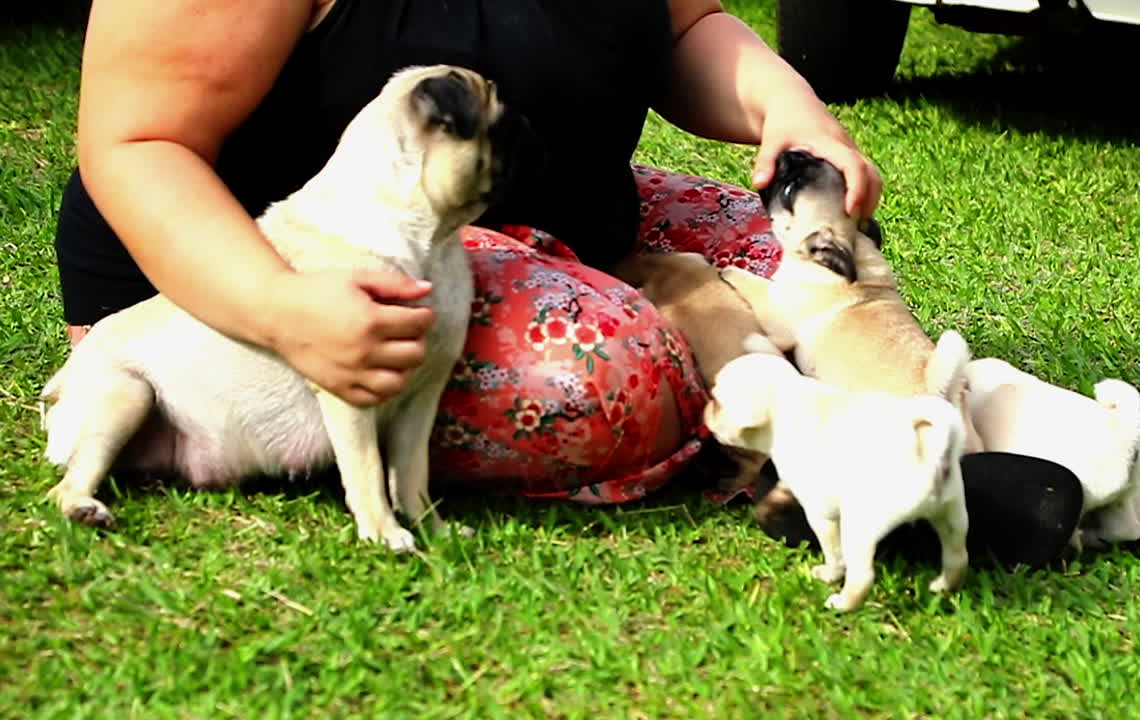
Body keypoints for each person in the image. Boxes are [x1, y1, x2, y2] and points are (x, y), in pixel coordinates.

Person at [55, 0, 883, 504]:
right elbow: (140, 141)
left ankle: (896, 435)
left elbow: (681, 22)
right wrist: (276, 307)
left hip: (509, 213)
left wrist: (786, 105)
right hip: (273, 275)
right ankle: (792, 443)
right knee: (611, 375)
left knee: (811, 237)